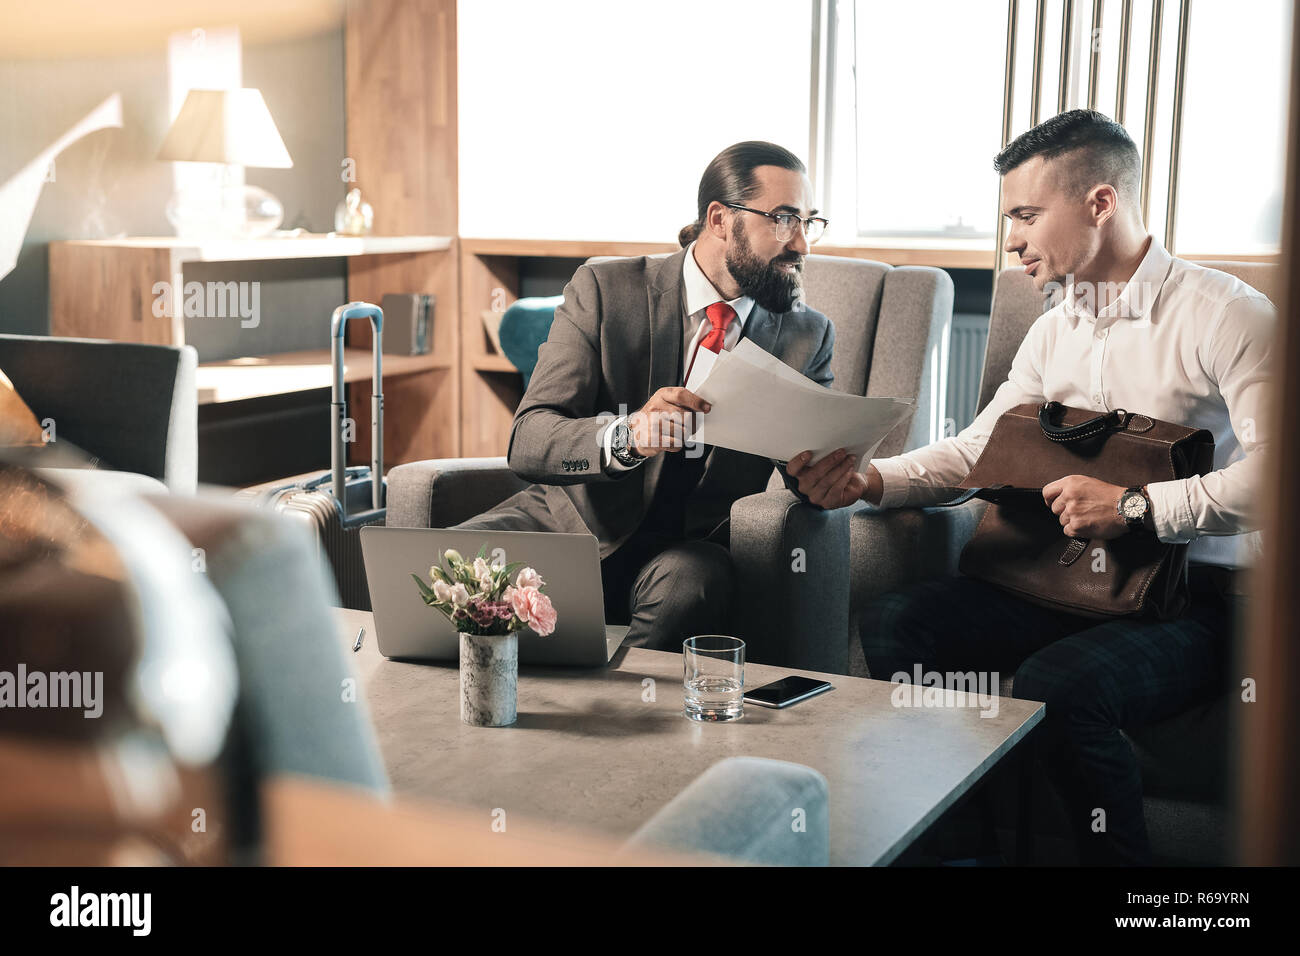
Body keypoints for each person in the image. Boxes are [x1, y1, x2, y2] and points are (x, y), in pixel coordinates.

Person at [812, 109, 1273, 865]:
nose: (1013, 239)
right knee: (901, 623)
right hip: (1067, 586)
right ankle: (962, 845)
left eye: (1026, 215)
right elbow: (978, 453)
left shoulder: (1228, 316)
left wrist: (1133, 508)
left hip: (1200, 604)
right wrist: (869, 480)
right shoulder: (1054, 327)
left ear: (1100, 203)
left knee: (1057, 683)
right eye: (1008, 219)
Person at [454, 141, 855, 650]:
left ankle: (615, 717)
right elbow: (529, 439)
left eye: (808, 222)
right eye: (783, 219)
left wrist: (819, 483)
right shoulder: (605, 289)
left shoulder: (807, 335)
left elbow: (808, 461)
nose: (802, 244)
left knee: (692, 586)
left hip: (688, 551)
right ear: (718, 219)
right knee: (442, 568)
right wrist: (626, 436)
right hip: (571, 524)